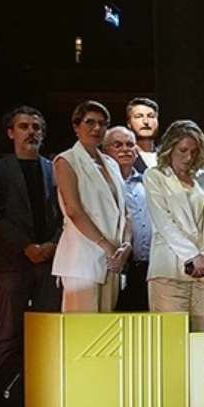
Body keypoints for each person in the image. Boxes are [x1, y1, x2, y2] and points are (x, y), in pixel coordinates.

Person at [0, 106, 62, 374]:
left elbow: (66, 213)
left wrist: (52, 245)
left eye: (36, 127)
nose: (31, 132)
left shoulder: (55, 169)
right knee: (10, 333)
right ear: (10, 133)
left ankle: (46, 390)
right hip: (11, 262)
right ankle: (4, 394)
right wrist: (26, 246)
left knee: (48, 330)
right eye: (24, 126)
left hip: (50, 260)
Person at [51, 101, 130, 313]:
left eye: (102, 123)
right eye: (90, 122)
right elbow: (73, 210)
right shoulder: (66, 160)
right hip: (82, 258)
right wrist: (107, 247)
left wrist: (125, 246)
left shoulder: (111, 164)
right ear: (76, 126)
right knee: (82, 326)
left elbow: (125, 212)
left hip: (113, 259)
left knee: (106, 326)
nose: (97, 128)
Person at [144, 121, 204, 331]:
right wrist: (191, 255)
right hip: (169, 267)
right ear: (170, 148)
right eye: (183, 150)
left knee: (202, 334)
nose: (188, 157)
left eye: (194, 151)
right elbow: (163, 221)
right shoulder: (155, 176)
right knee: (171, 335)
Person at [103, 126, 150, 312]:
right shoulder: (101, 184)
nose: (125, 149)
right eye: (117, 145)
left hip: (146, 267)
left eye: (130, 145)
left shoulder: (148, 182)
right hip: (114, 265)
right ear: (105, 151)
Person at [125, 97, 160, 173]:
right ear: (129, 123)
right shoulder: (124, 157)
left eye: (151, 116)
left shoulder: (168, 156)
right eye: (139, 116)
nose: (146, 121)